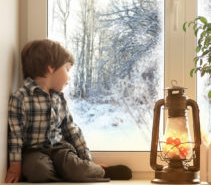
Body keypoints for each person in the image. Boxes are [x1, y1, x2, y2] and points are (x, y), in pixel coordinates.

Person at [5, 39, 132, 183]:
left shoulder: (59, 99)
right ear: (51, 68)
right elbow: (15, 136)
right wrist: (15, 167)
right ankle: (68, 175)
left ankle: (100, 171)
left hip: (60, 149)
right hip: (34, 152)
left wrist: (87, 160)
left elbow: (71, 130)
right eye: (67, 69)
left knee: (77, 169)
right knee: (38, 171)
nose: (69, 77)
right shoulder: (20, 98)